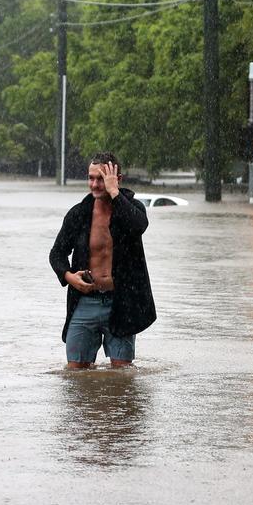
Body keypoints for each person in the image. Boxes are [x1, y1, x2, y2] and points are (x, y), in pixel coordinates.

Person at [49, 151, 156, 369]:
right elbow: (57, 253)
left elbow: (139, 226)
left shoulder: (133, 209)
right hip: (84, 302)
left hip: (120, 303)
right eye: (91, 178)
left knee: (122, 376)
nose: (96, 184)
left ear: (117, 179)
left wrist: (115, 193)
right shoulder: (78, 214)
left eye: (101, 178)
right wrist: (69, 277)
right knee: (76, 376)